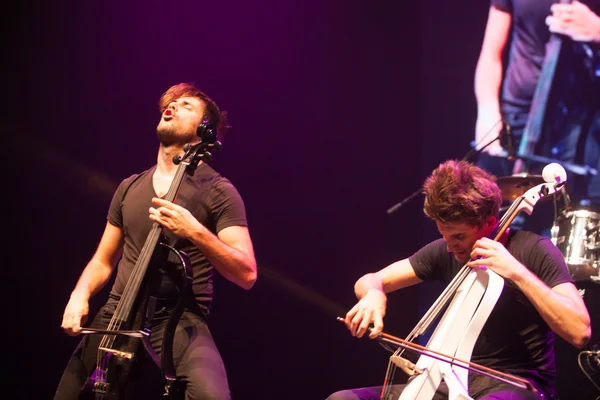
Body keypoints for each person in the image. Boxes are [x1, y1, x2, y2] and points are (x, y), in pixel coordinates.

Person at [54, 83, 257, 400]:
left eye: (186, 105)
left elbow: (246, 273)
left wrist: (195, 231)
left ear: (205, 131)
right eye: (172, 102)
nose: (174, 106)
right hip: (116, 312)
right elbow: (103, 260)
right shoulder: (130, 187)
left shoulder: (219, 191)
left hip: (176, 317)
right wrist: (79, 294)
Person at [327, 160, 591, 400]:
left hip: (516, 387)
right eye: (445, 236)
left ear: (490, 221)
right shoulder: (445, 249)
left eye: (459, 237)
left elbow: (579, 331)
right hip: (449, 383)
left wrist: (517, 272)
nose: (451, 247)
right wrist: (374, 293)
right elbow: (371, 280)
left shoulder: (534, 250)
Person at [473, 0, 600, 210]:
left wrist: (596, 29)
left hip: (584, 130)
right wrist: (487, 108)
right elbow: (491, 52)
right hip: (515, 121)